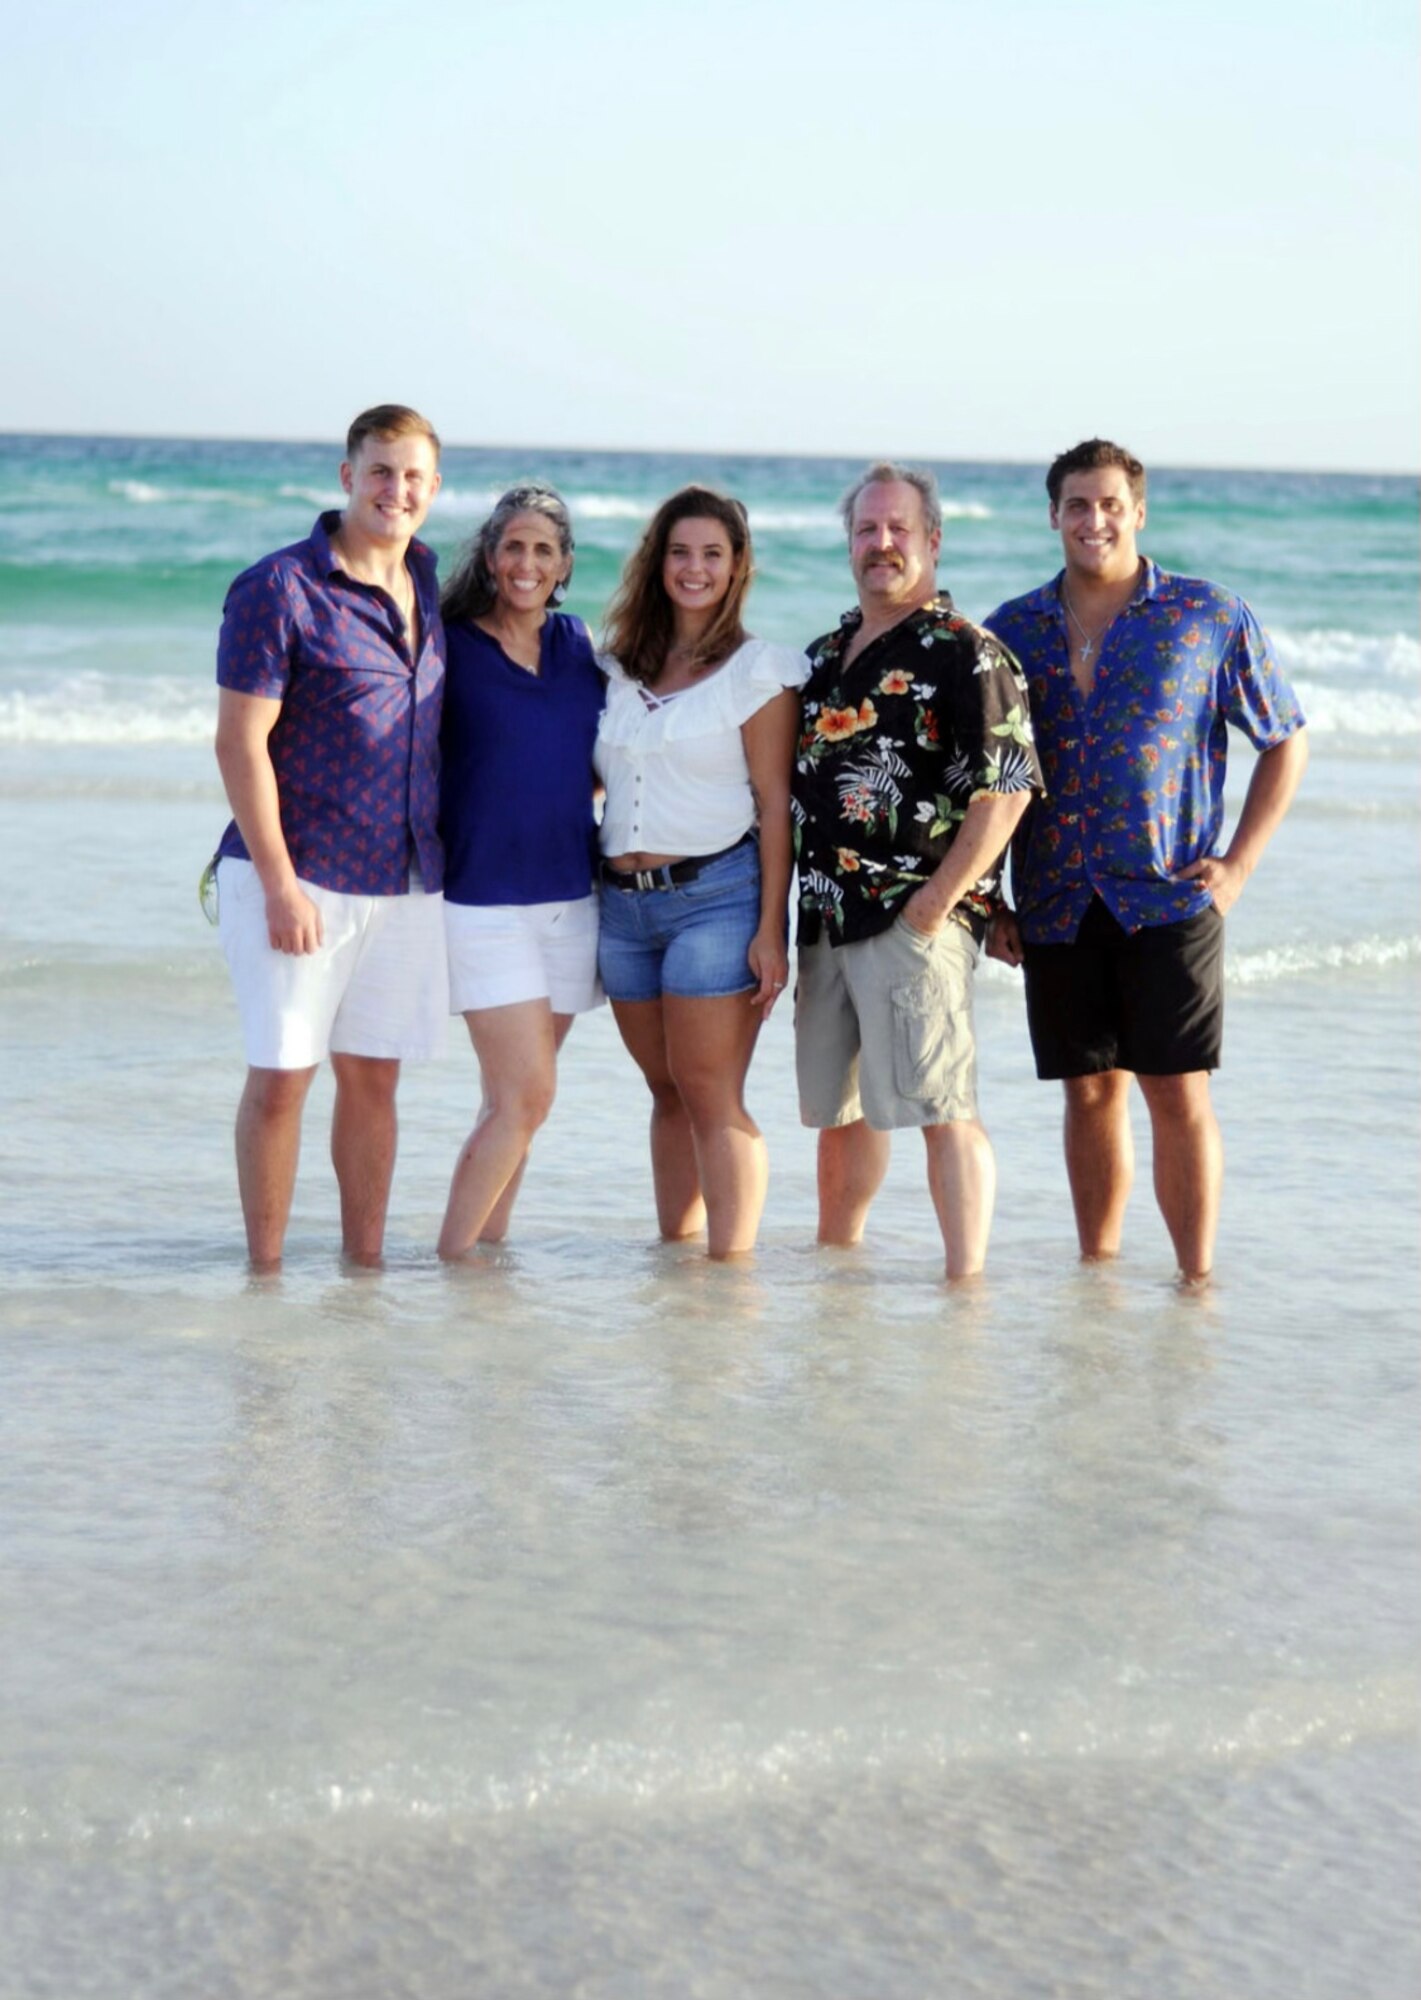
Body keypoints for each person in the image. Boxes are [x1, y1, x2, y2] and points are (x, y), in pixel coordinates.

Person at [984, 437, 1309, 1284]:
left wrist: (1237, 866)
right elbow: (981, 773)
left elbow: (1284, 738)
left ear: (1138, 511)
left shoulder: (1206, 615)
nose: (1094, 520)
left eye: (1109, 504)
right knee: (1088, 1092)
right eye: (1076, 505)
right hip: (1054, 898)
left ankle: (1194, 1283)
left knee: (1175, 1091)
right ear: (1053, 515)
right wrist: (984, 898)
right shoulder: (1009, 630)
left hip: (1169, 897)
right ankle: (1097, 1276)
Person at [792, 462, 1043, 1280]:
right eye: (866, 529)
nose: (881, 543)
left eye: (898, 529)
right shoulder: (826, 654)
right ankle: (839, 1271)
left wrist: (934, 907)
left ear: (931, 540)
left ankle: (964, 1286)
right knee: (841, 1115)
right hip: (826, 918)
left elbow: (1005, 791)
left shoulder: (966, 652)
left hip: (913, 920)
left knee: (942, 1108)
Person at [211, 404, 447, 1270]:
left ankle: (364, 1273)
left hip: (406, 878)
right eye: (381, 471)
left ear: (434, 487)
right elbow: (239, 743)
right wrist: (279, 884)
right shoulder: (278, 588)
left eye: (414, 475)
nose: (397, 490)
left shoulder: (431, 586)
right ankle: (265, 1276)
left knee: (374, 1078)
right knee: (282, 1079)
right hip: (299, 875)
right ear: (348, 476)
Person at [595, 486, 809, 1259]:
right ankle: (675, 1263)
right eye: (680, 552)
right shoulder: (617, 669)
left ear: (736, 566)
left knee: (712, 1095)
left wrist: (768, 931)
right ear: (658, 563)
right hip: (621, 910)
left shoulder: (758, 671)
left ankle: (731, 1276)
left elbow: (774, 803)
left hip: (716, 903)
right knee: (664, 1092)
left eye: (711, 554)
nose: (694, 569)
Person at [436, 483, 605, 1259]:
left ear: (564, 564)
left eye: (544, 550)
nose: (527, 563)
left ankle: (484, 1262)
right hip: (482, 900)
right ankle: (450, 1259)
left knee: (514, 1104)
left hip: (572, 900)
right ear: (490, 555)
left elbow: (613, 755)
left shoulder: (580, 649)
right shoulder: (448, 645)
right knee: (527, 1094)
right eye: (514, 547)